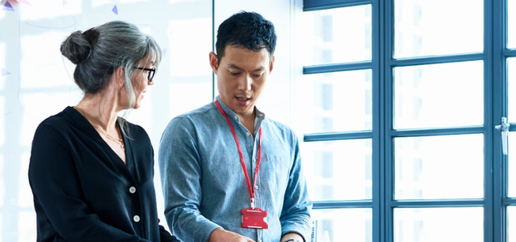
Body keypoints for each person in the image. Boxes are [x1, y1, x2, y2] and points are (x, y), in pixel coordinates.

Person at [159, 11, 312, 242]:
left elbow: (298, 210)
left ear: (271, 66)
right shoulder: (186, 130)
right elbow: (180, 213)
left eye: (257, 74)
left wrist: (293, 238)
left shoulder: (286, 138)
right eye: (234, 72)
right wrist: (227, 239)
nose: (245, 86)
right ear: (214, 62)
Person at [27, 21, 178, 242]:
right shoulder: (54, 136)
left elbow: (148, 224)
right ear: (121, 74)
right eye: (148, 71)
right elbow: (76, 225)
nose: (150, 82)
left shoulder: (139, 139)